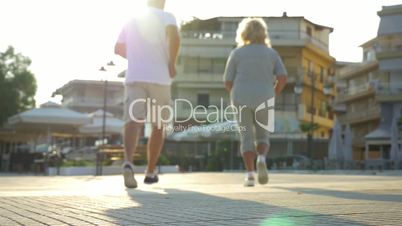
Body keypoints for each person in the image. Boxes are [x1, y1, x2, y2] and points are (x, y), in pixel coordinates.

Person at [115, 0, 180, 188]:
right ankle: (150, 172)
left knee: (133, 120)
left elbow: (118, 48)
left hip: (135, 76)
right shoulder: (168, 17)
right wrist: (172, 62)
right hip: (160, 78)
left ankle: (128, 162)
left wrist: (137, 56)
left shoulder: (132, 18)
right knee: (158, 125)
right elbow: (174, 38)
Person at [223, 18, 287, 187]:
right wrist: (273, 93)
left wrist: (235, 95)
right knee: (263, 135)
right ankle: (261, 158)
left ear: (244, 33)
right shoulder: (271, 53)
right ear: (263, 33)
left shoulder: (237, 53)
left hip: (241, 97)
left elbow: (227, 81)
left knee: (246, 137)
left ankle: (250, 174)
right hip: (264, 96)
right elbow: (282, 78)